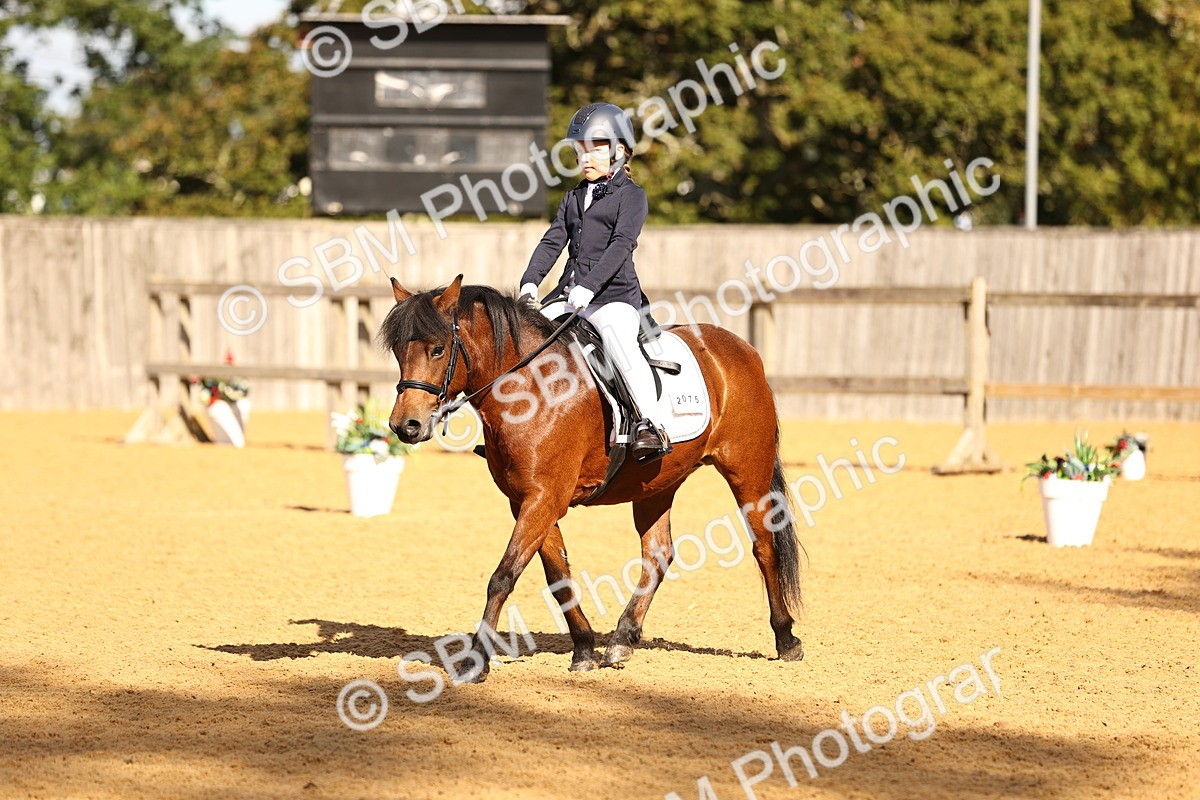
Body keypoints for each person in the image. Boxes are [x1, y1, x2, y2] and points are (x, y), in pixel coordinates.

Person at [519, 101, 672, 463]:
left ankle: (650, 423)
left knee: (620, 345)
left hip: (613, 297)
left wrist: (590, 285)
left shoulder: (632, 196)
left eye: (595, 149)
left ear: (619, 151)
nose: (585, 158)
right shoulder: (573, 197)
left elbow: (622, 244)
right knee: (524, 340)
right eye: (580, 150)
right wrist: (530, 282)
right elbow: (552, 241)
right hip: (568, 295)